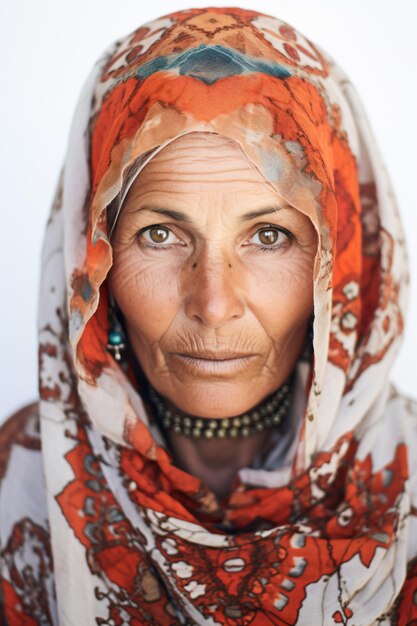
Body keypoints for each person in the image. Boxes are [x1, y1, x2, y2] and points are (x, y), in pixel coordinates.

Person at [1, 6, 416, 624]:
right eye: (161, 234)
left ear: (344, 265)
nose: (214, 305)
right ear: (94, 260)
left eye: (269, 235)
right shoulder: (18, 482)